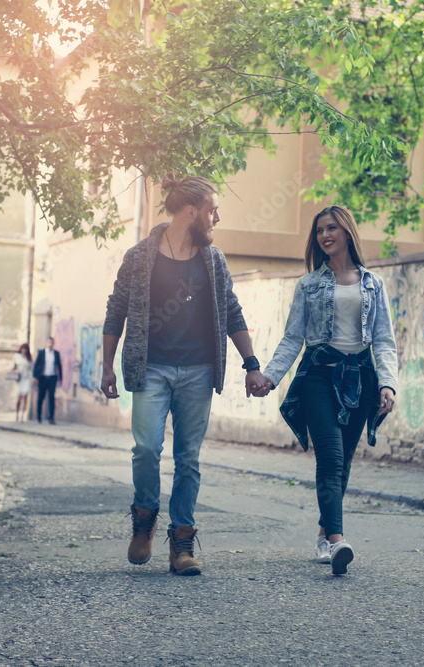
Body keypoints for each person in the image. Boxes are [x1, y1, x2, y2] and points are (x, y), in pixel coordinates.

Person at [101, 172, 268, 576]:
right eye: (212, 211)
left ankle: (182, 543)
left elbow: (231, 311)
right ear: (191, 212)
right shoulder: (140, 256)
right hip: (151, 367)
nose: (216, 219)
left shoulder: (213, 260)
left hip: (198, 369)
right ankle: (145, 519)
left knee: (188, 457)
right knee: (146, 448)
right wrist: (106, 365)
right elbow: (115, 310)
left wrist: (251, 364)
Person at [253, 205, 398, 576]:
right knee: (331, 456)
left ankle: (322, 532)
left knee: (344, 461)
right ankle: (337, 541)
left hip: (361, 378)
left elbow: (384, 340)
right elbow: (292, 338)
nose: (324, 235)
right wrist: (269, 376)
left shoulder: (372, 283)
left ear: (347, 231)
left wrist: (387, 383)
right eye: (319, 231)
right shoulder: (309, 284)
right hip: (318, 375)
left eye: (331, 228)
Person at [33, 337, 62, 424]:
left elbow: (59, 366)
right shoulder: (42, 353)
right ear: (46, 343)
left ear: (53, 344)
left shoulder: (56, 353)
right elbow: (36, 365)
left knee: (51, 398)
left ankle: (51, 418)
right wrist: (34, 377)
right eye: (49, 342)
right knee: (41, 398)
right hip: (43, 378)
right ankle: (39, 416)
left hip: (52, 378)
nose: (50, 344)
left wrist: (60, 378)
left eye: (52, 343)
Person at [13, 343, 33, 422]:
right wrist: (14, 371)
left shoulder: (29, 358)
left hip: (26, 379)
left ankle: (22, 416)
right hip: (19, 379)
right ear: (21, 349)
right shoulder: (16, 356)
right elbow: (13, 366)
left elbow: (31, 369)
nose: (24, 350)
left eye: (25, 349)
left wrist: (32, 379)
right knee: (19, 398)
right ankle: (17, 414)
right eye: (23, 348)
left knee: (25, 397)